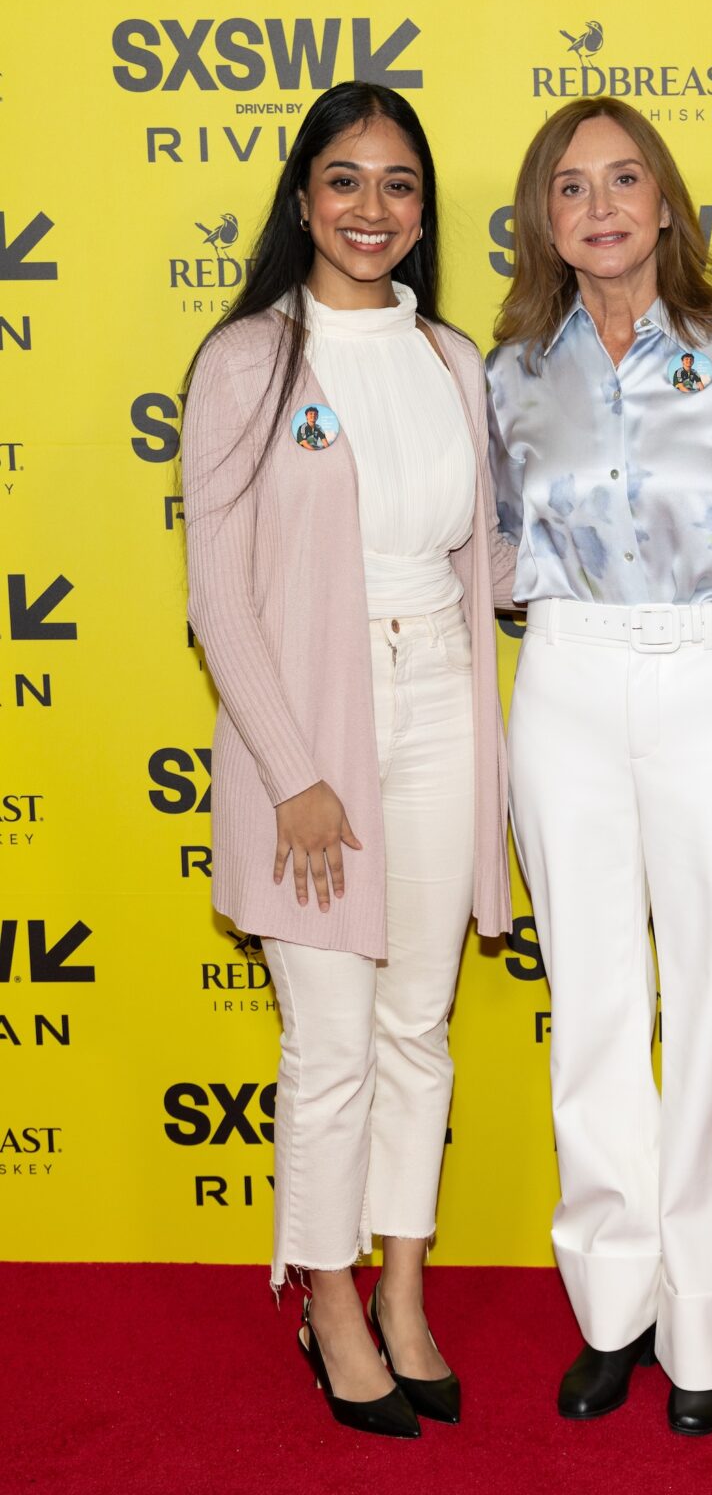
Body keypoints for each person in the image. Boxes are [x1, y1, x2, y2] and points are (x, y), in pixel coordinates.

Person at [486, 97, 712, 1438]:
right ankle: (613, 1312)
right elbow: (505, 549)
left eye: (623, 176)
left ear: (664, 198)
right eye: (572, 186)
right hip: (569, 680)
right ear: (545, 219)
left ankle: (709, 1326)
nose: (601, 204)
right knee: (590, 1009)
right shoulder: (513, 369)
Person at [182, 81, 514, 1440]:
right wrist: (296, 774)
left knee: (417, 1029)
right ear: (302, 196)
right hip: (314, 734)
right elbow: (219, 594)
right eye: (344, 180)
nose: (371, 210)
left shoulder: (452, 358)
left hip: (441, 702)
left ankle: (405, 1293)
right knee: (328, 1043)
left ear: (423, 209)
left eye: (398, 185)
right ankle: (326, 1303)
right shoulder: (250, 360)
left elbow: (484, 563)